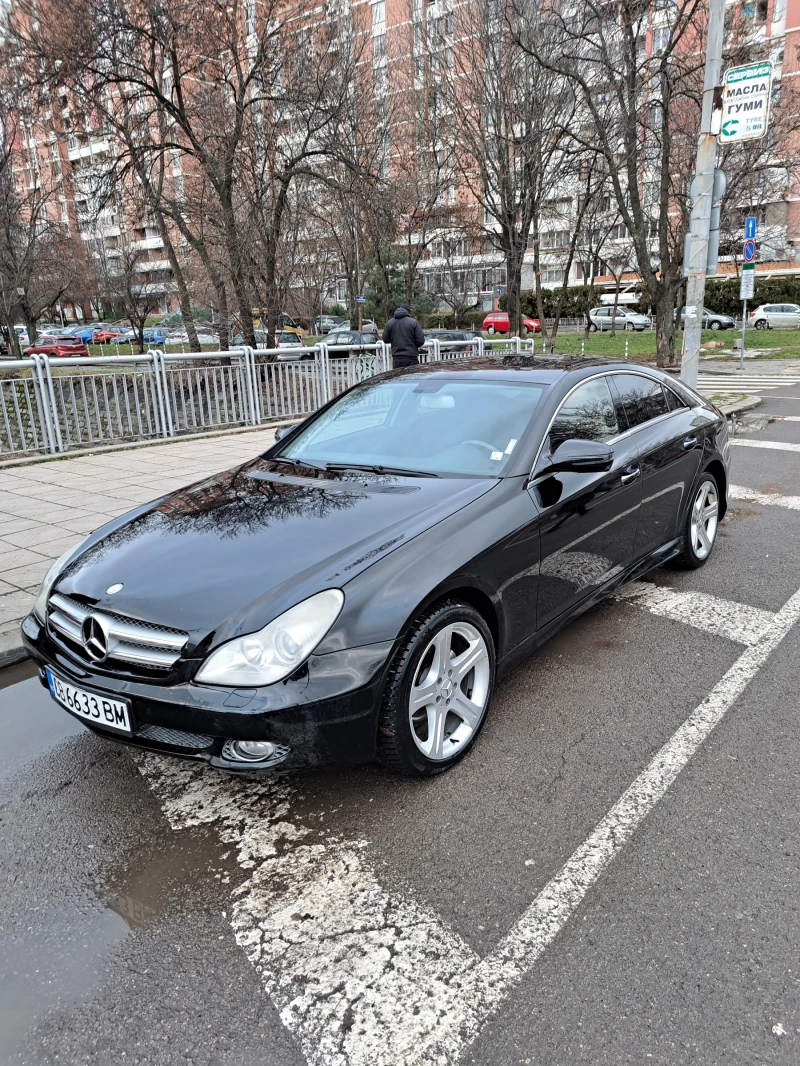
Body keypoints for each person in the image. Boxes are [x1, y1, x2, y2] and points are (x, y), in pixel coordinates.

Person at [382, 303, 425, 369]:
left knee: (398, 378)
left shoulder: (390, 322)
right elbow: (421, 340)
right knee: (412, 378)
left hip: (396, 358)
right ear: (408, 312)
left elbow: (385, 339)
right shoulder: (413, 322)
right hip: (411, 357)